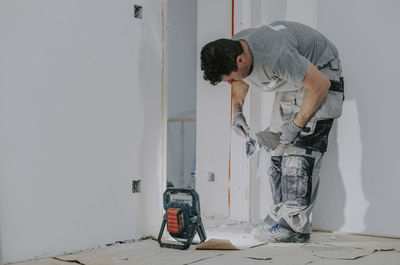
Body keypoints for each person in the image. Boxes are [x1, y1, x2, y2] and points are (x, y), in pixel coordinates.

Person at [200, 21, 344, 243]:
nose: (231, 83)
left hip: (320, 75)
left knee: (299, 155)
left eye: (230, 78)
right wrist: (237, 111)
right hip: (295, 78)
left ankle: (294, 227)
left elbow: (320, 85)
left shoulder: (276, 55)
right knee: (276, 150)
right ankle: (279, 218)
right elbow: (241, 79)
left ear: (241, 60)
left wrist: (296, 125)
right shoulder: (235, 47)